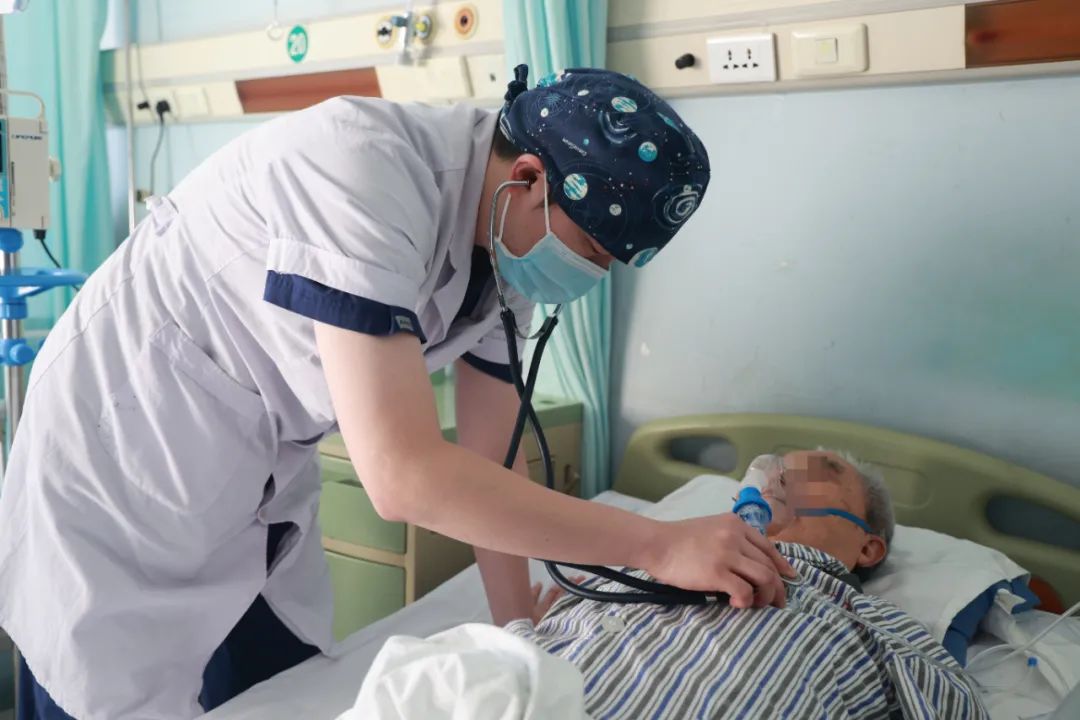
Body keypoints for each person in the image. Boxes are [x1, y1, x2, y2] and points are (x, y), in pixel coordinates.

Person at [0, 65, 796, 719]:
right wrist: (656, 544)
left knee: (280, 685)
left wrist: (517, 627)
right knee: (106, 690)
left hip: (249, 485)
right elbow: (403, 476)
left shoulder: (506, 247)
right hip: (118, 471)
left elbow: (494, 459)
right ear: (526, 179)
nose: (589, 274)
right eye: (591, 247)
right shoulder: (360, 167)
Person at [508, 450, 990, 719]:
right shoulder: (649, 556)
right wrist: (540, 629)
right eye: (779, 470)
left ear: (868, 548)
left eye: (818, 474)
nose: (781, 478)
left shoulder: (873, 623)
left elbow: (957, 705)